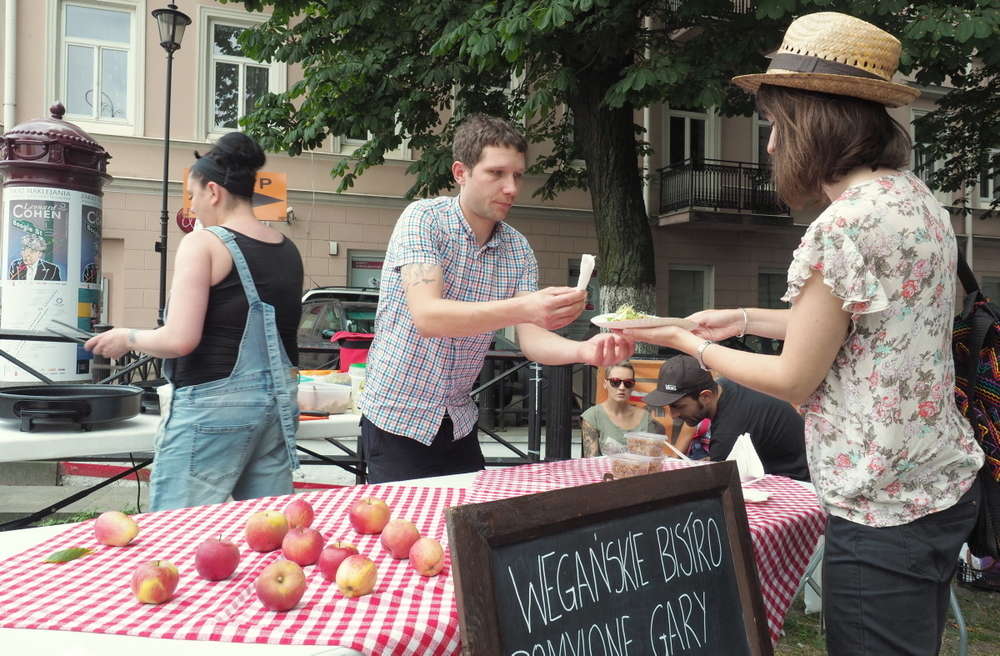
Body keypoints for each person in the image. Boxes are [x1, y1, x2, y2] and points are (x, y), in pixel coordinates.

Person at [624, 13, 984, 656]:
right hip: (938, 484)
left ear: (814, 125)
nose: (769, 146)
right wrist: (743, 319)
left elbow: (794, 376)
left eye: (776, 125)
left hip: (880, 506)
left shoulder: (843, 226)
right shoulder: (914, 199)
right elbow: (871, 327)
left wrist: (692, 346)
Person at [360, 114, 633, 483]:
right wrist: (526, 307)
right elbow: (428, 316)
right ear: (461, 172)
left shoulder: (517, 249)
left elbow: (532, 340)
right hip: (397, 419)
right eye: (496, 173)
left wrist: (585, 351)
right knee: (407, 521)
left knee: (474, 518)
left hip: (459, 420)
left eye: (518, 175)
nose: (511, 188)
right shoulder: (423, 219)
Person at [86, 132, 304, 511]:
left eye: (192, 195)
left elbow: (179, 339)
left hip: (213, 409)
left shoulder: (203, 243)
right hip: (277, 407)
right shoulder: (288, 249)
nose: (192, 207)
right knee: (266, 532)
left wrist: (127, 337)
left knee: (177, 531)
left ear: (213, 192)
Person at [644, 354, 809, 480]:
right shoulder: (726, 386)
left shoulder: (730, 428)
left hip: (798, 484)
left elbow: (718, 481)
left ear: (706, 396)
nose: (673, 415)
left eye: (679, 406)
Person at [580, 361, 664, 457]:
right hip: (604, 467)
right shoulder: (592, 417)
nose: (622, 387)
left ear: (633, 386)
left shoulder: (645, 417)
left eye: (628, 383)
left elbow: (653, 457)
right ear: (605, 384)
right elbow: (591, 460)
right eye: (615, 382)